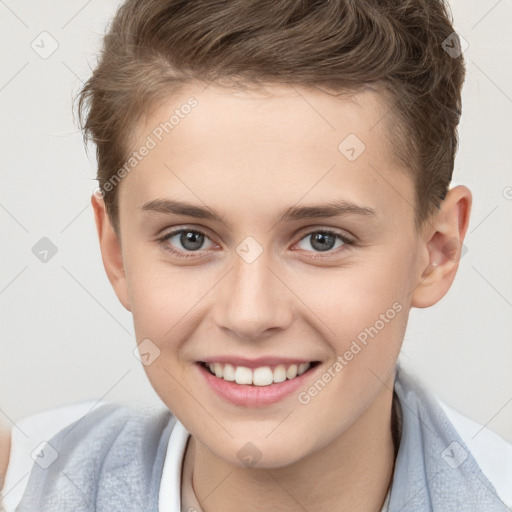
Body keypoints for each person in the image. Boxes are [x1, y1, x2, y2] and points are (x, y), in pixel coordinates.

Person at [14, 0, 512, 510]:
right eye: (190, 238)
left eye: (323, 239)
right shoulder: (24, 480)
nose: (250, 314)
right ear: (117, 255)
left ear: (436, 252)